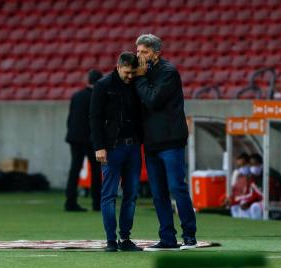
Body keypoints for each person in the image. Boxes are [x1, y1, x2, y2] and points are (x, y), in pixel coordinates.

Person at [134, 34, 197, 251]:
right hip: (151, 142)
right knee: (158, 192)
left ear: (156, 53)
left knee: (177, 188)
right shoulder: (143, 73)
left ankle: (189, 236)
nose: (139, 56)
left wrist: (140, 78)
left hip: (170, 140)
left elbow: (152, 99)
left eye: (144, 52)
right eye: (138, 51)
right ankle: (167, 238)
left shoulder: (168, 72)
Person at [90, 52, 143, 252]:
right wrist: (99, 146)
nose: (130, 76)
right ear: (119, 67)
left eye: (133, 73)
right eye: (128, 73)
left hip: (133, 147)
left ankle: (126, 238)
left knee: (131, 195)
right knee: (110, 195)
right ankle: (111, 240)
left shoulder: (137, 84)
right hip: (112, 148)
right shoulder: (103, 86)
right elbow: (94, 118)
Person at [64, 69, 103, 212]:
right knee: (96, 171)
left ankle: (70, 201)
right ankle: (97, 203)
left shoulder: (76, 96)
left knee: (74, 169)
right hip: (90, 140)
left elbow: (71, 118)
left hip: (75, 138)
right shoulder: (98, 97)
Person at [229, 153, 281, 220]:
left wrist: (252, 202)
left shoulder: (269, 174)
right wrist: (245, 202)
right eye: (251, 165)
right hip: (268, 201)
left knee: (255, 206)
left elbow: (271, 197)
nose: (252, 167)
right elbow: (253, 194)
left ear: (261, 164)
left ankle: (261, 226)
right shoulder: (253, 177)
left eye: (255, 164)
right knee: (239, 206)